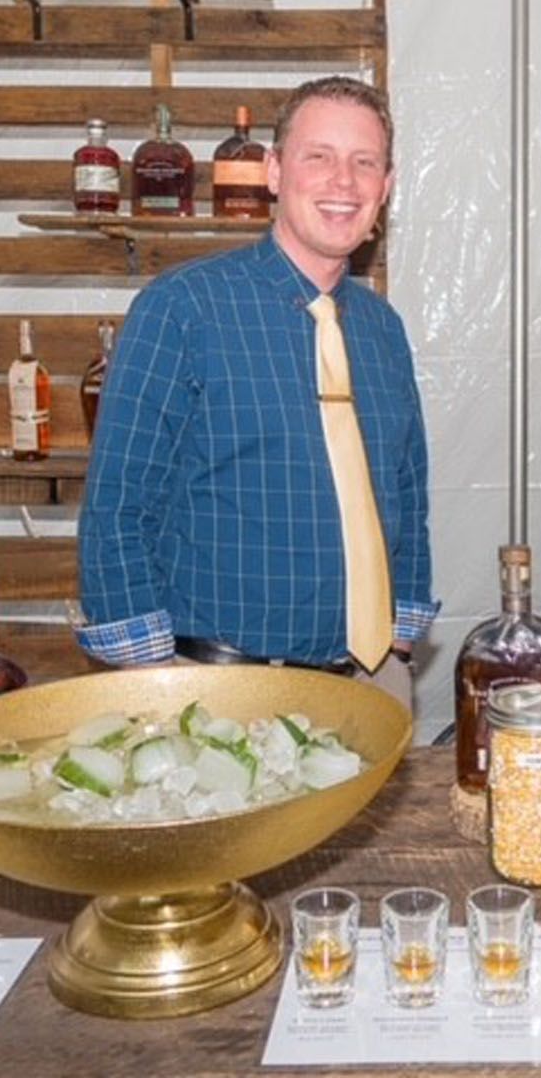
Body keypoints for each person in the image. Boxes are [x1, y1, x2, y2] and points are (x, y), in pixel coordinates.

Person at [77, 77, 436, 708]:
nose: (343, 182)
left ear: (387, 185)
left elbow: (405, 496)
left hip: (370, 687)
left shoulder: (383, 329)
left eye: (365, 162)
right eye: (317, 156)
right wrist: (158, 689)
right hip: (218, 694)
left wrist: (399, 645)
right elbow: (117, 506)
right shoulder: (183, 308)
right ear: (273, 171)